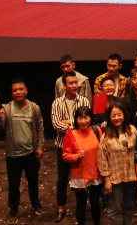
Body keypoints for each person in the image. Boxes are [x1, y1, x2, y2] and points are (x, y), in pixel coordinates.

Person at [0, 79, 45, 223]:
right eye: (15, 90)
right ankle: (14, 209)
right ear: (12, 94)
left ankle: (35, 204)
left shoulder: (34, 108)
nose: (18, 92)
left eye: (21, 89)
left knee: (33, 181)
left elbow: (40, 127)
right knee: (13, 184)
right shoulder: (7, 109)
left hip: (30, 153)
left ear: (26, 91)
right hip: (13, 155)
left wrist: (40, 147)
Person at [52, 71, 91, 222]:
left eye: (76, 83)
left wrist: (68, 122)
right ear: (64, 86)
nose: (75, 85)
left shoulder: (84, 101)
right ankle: (60, 207)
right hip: (63, 146)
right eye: (71, 83)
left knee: (83, 176)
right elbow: (56, 124)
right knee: (62, 178)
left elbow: (86, 122)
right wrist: (75, 124)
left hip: (81, 145)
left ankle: (83, 204)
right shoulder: (57, 103)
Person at [97, 104, 137, 225]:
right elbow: (102, 158)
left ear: (124, 115)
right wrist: (107, 179)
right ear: (109, 118)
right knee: (115, 208)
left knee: (129, 205)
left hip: (131, 176)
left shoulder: (132, 130)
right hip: (114, 178)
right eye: (113, 116)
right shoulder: (106, 136)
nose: (117, 118)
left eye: (119, 115)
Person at [63, 107, 103, 225]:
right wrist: (77, 157)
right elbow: (65, 155)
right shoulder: (72, 134)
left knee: (95, 204)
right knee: (81, 205)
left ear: (90, 118)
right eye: (80, 118)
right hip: (80, 177)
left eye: (86, 117)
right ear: (76, 120)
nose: (83, 121)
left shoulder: (97, 131)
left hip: (96, 175)